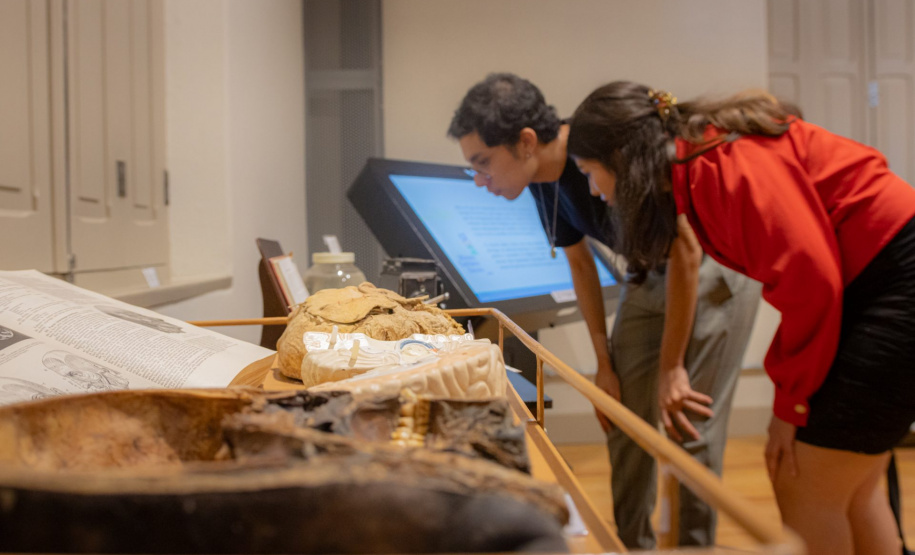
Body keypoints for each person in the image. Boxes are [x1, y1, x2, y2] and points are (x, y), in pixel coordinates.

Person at [567, 80, 915, 555]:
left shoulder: (718, 168)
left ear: (623, 161)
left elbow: (812, 284)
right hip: (880, 282)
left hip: (893, 281)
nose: (593, 189)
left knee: (803, 484)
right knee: (854, 489)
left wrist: (788, 407)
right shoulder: (699, 162)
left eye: (590, 171)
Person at [447, 73, 760, 549]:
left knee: (687, 425)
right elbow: (580, 263)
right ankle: (633, 547)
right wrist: (604, 364)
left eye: (483, 162)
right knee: (620, 416)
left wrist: (672, 367)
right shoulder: (541, 181)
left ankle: (692, 547)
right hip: (647, 273)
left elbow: (687, 251)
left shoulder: (604, 143)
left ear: (526, 142)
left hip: (708, 269)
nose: (479, 179)